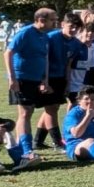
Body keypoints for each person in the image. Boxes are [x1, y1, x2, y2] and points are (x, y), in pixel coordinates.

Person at [3, 7, 57, 170]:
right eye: (53, 19)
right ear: (42, 20)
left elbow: (44, 58)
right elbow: (8, 53)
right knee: (25, 112)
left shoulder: (44, 36)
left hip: (36, 79)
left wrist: (44, 79)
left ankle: (24, 148)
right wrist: (12, 77)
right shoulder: (25, 33)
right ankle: (27, 150)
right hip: (22, 78)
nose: (55, 22)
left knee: (30, 111)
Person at [36, 13, 82, 150]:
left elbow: (69, 63)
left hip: (61, 78)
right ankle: (57, 142)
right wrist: (44, 80)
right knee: (51, 109)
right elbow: (44, 60)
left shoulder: (76, 43)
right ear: (62, 24)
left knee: (52, 108)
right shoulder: (51, 38)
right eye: (71, 26)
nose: (73, 30)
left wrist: (68, 82)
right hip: (48, 78)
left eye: (76, 28)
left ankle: (37, 141)